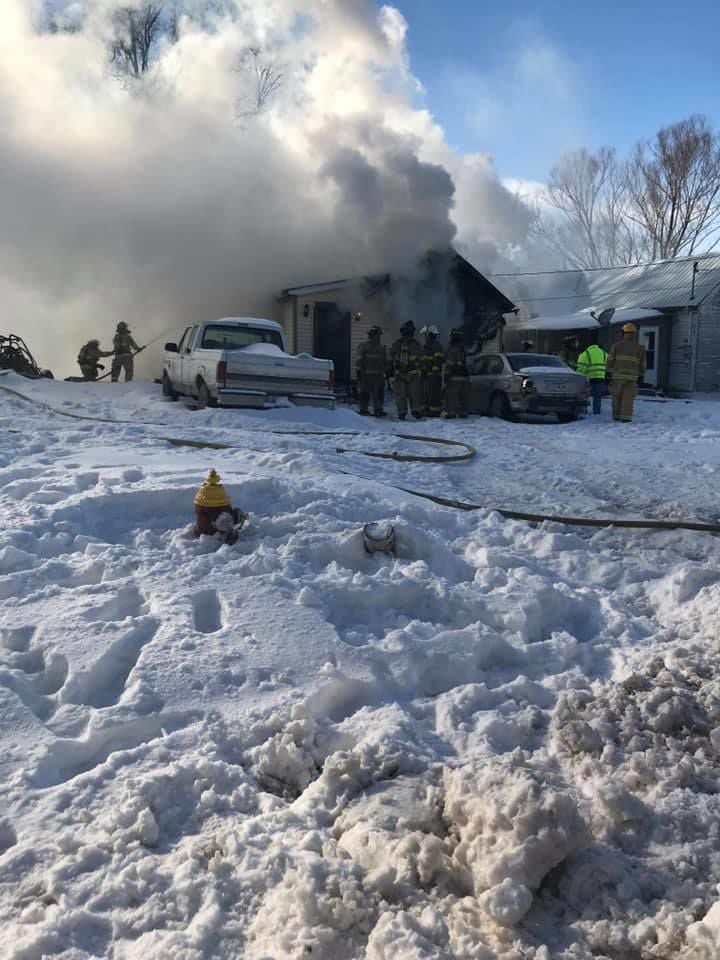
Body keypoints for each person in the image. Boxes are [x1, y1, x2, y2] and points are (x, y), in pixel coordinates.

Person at [606, 323, 646, 423]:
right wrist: (641, 376)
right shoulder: (640, 348)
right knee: (628, 399)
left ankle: (616, 416)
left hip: (617, 377)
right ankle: (626, 418)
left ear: (623, 333)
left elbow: (610, 360)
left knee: (616, 397)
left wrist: (608, 373)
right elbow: (643, 364)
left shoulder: (616, 346)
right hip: (632, 378)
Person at [389, 321, 423, 420]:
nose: (408, 334)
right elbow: (390, 357)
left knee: (415, 393)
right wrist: (390, 368)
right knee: (400, 394)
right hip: (400, 374)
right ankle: (402, 413)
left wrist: (414, 366)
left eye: (410, 331)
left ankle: (415, 411)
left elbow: (421, 359)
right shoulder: (396, 344)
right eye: (407, 331)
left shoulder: (416, 345)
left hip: (413, 374)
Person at [356, 326, 387, 417]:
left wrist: (387, 370)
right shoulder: (364, 346)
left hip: (378, 376)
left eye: (379, 335)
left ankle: (378, 409)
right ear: (371, 335)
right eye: (377, 335)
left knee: (379, 393)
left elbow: (384, 360)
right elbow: (359, 360)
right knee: (364, 393)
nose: (378, 337)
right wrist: (358, 372)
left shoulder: (381, 348)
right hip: (366, 375)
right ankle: (363, 409)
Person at [575, 334, 608, 415]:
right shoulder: (604, 353)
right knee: (597, 397)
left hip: (588, 379)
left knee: (585, 395)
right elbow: (609, 365)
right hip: (600, 378)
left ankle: (584, 410)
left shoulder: (585, 354)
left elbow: (581, 368)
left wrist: (578, 378)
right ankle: (597, 411)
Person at [444, 328, 470, 419]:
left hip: (454, 377)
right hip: (465, 377)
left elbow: (449, 364)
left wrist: (446, 375)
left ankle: (451, 412)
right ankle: (463, 412)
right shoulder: (463, 349)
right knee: (463, 396)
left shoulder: (453, 350)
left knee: (451, 395)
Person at [419, 324, 444, 417]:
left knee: (434, 394)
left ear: (430, 335)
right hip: (427, 375)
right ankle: (426, 410)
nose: (425, 337)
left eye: (426, 335)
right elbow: (424, 360)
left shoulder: (437, 346)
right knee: (426, 394)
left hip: (434, 375)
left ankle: (435, 412)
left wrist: (432, 372)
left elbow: (438, 361)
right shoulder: (426, 346)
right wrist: (423, 370)